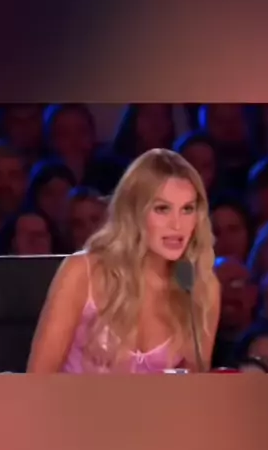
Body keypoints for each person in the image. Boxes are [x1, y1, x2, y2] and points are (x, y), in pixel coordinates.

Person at [27, 149, 220, 373]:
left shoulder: (201, 288)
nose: (177, 225)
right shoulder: (82, 273)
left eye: (187, 209)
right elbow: (38, 380)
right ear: (133, 212)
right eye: (162, 209)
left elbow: (195, 387)